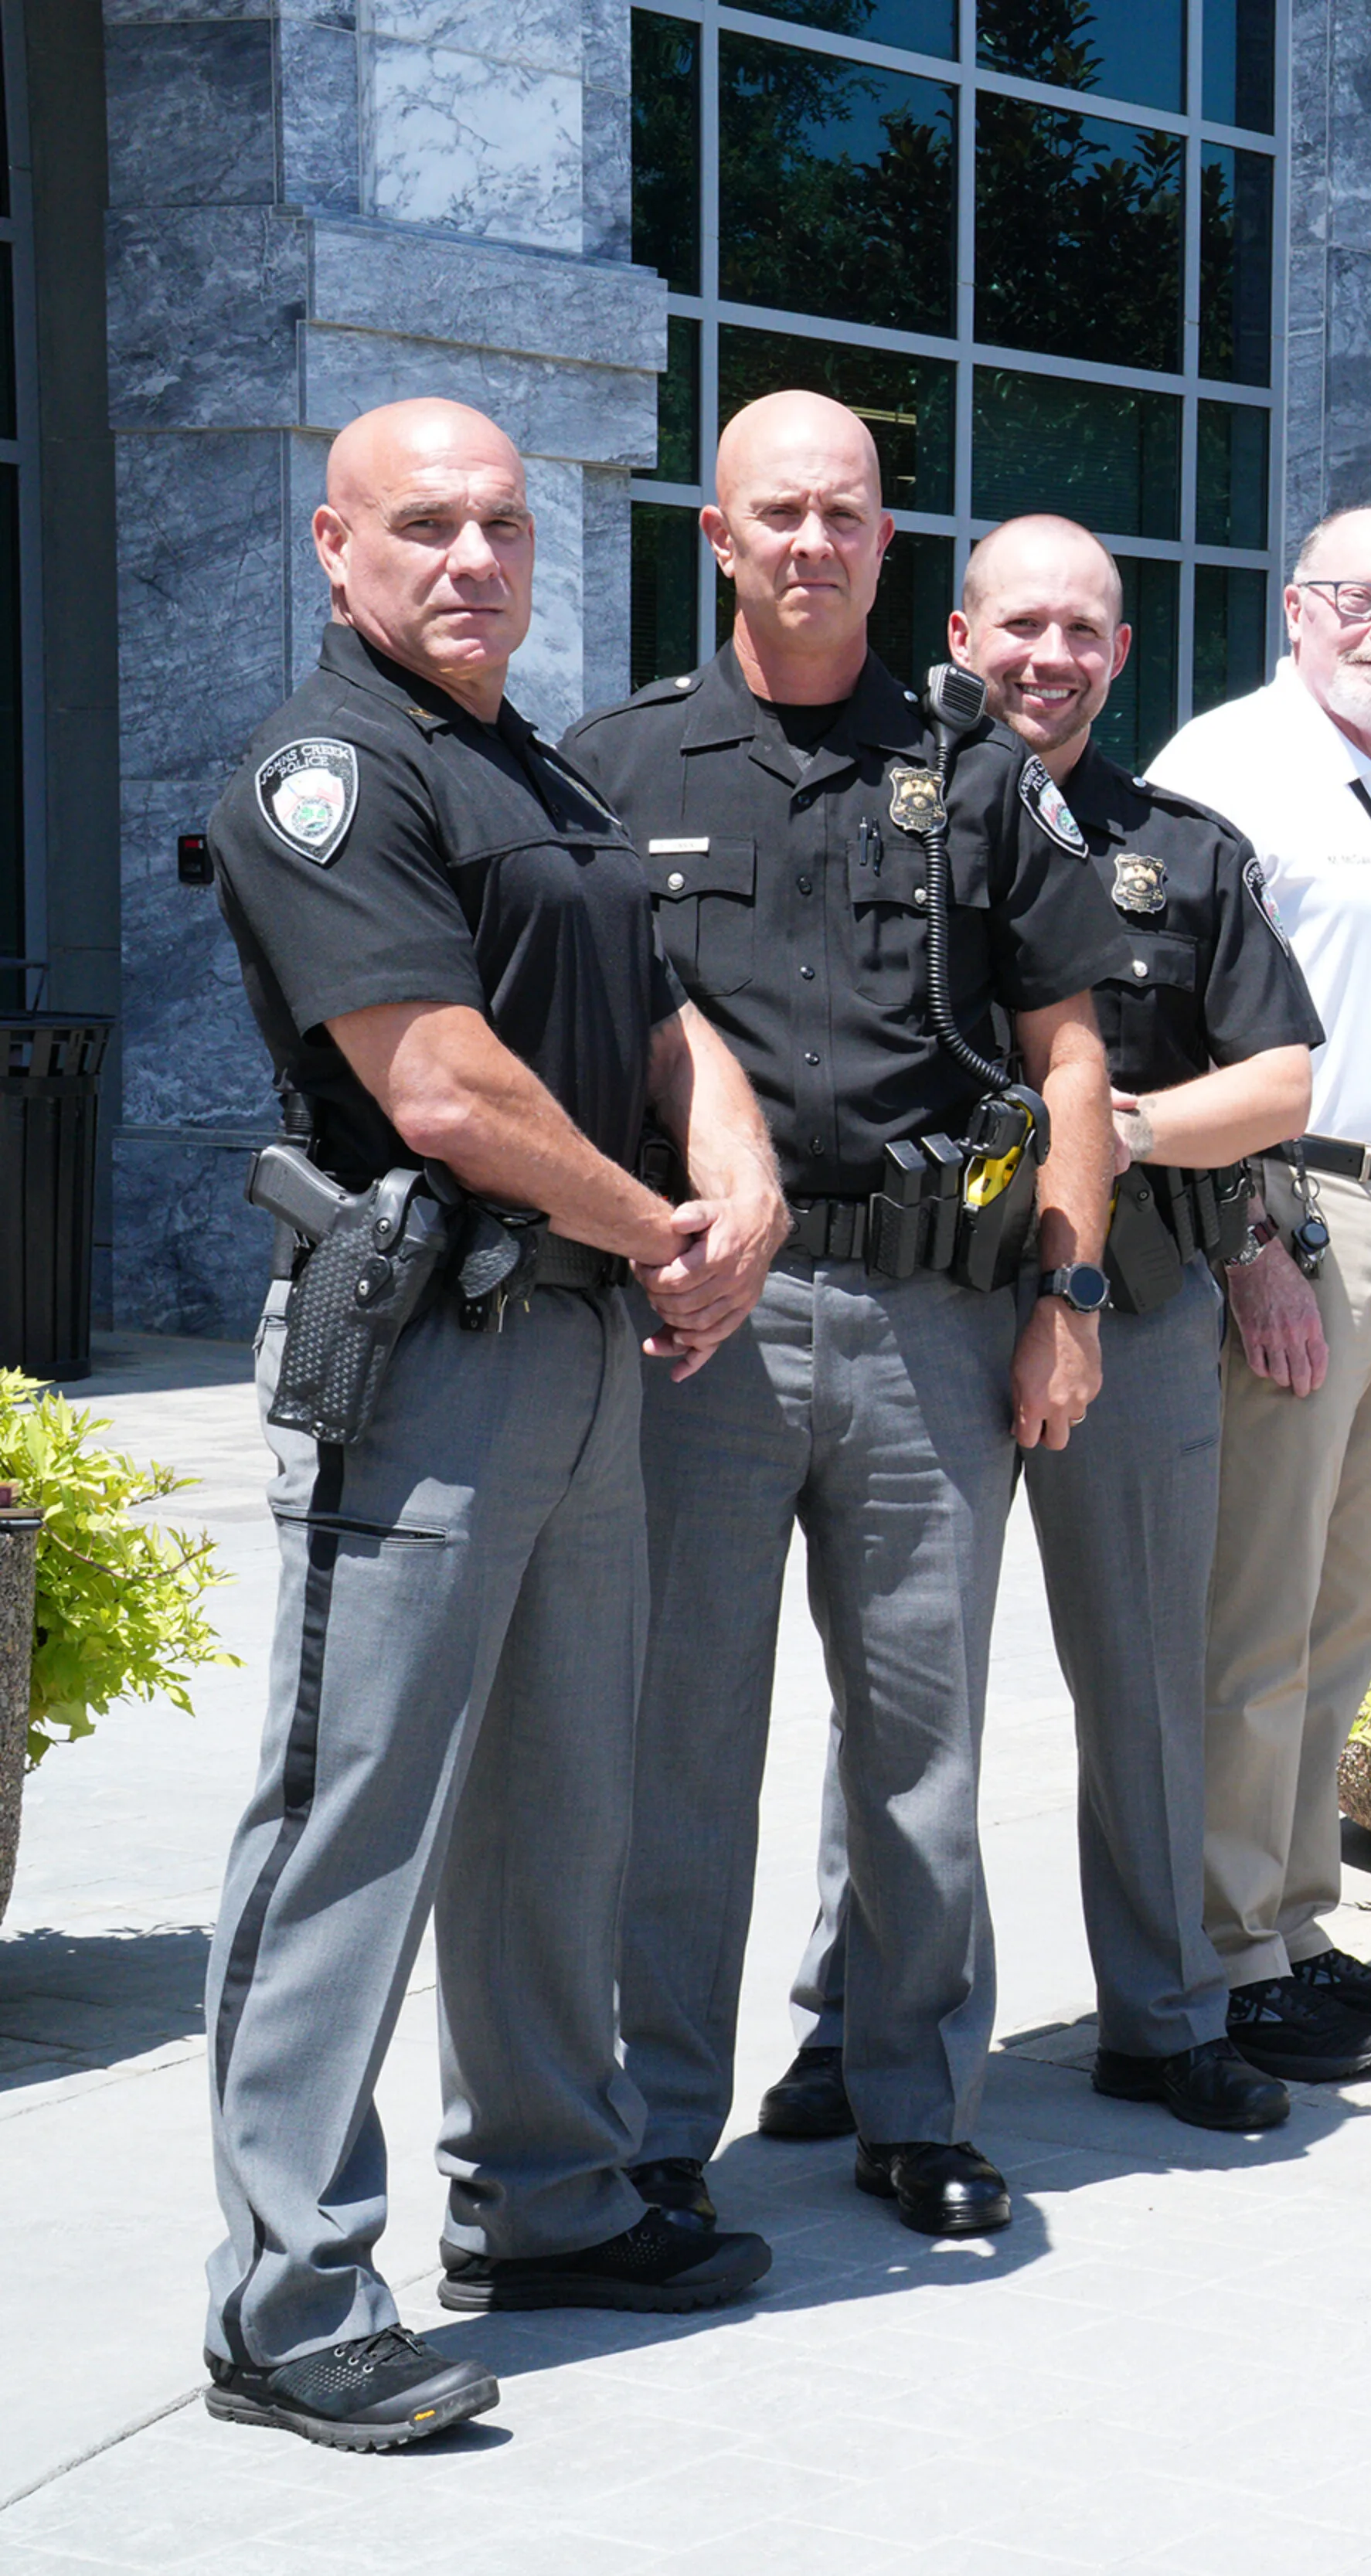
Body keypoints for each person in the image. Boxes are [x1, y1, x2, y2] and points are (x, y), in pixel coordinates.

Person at [196, 398, 781, 2449]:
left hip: (582, 1342)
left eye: (507, 526)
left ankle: (546, 2194)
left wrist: (731, 1158)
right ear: (335, 543)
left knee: (559, 1793)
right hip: (438, 1341)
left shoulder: (522, 756)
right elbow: (436, 1081)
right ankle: (285, 2286)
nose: (474, 559)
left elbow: (652, 995)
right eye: (427, 526)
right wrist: (665, 1231)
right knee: (350, 1815)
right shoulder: (324, 766)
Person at [566, 390, 1127, 2241]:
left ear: (893, 545)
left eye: (850, 513)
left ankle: (911, 2099)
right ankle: (653, 2126)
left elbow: (1069, 1052)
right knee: (682, 1746)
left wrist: (1067, 1292)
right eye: (777, 512)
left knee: (920, 1746)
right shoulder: (618, 772)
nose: (814, 541)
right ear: (714, 536)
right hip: (700, 1332)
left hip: (930, 1332)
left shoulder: (974, 775)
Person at [788, 515, 1335, 2128]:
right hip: (924, 1303)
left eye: (1084, 631)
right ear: (958, 631)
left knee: (1147, 1672)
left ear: (1118, 651)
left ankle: (1161, 2013)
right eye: (1020, 624)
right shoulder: (878, 810)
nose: (1050, 655)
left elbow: (1284, 1077)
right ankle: (850, 2016)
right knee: (902, 1688)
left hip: (1140, 1301)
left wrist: (1113, 1135)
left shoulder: (1183, 842)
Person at [1147, 507, 1371, 2068]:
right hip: (1295, 1211)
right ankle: (1224, 1952)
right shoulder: (1228, 768)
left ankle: (1294, 1916)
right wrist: (1248, 1237)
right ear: (1295, 607)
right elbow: (1182, 1023)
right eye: (1359, 597)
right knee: (1257, 1608)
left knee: (1344, 1604)